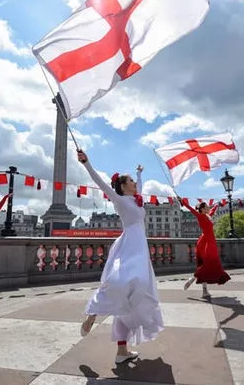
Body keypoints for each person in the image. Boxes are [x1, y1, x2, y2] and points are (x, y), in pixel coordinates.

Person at [77, 150, 164, 365]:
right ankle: (93, 312)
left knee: (131, 298)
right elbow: (100, 182)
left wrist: (139, 173)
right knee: (128, 284)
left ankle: (121, 351)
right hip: (129, 246)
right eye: (132, 181)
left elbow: (140, 187)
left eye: (135, 181)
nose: (135, 184)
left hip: (140, 247)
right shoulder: (120, 200)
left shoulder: (136, 200)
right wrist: (87, 163)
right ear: (123, 186)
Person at [180, 199, 230, 298]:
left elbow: (212, 211)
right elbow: (190, 209)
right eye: (207, 207)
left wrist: (217, 205)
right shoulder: (200, 216)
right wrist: (182, 201)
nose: (208, 208)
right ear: (202, 209)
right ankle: (192, 279)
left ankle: (204, 291)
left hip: (208, 241)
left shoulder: (207, 216)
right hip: (208, 242)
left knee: (205, 265)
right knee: (208, 264)